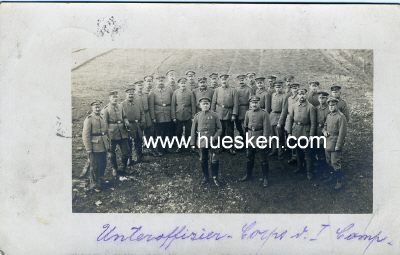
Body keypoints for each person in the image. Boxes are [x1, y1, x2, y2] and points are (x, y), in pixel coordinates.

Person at [239, 96, 272, 188]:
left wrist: (265, 140)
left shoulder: (264, 113)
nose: (254, 104)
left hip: (260, 137)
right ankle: (248, 175)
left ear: (259, 103)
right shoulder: (248, 113)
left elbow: (267, 128)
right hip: (250, 138)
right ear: (250, 104)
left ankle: (265, 178)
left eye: (256, 102)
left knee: (263, 159)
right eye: (252, 103)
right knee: (249, 157)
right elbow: (245, 126)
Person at [190, 97, 222, 187]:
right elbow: (193, 131)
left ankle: (215, 177)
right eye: (203, 104)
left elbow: (220, 129)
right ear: (200, 105)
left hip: (213, 141)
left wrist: (215, 138)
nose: (205, 105)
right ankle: (205, 177)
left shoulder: (215, 115)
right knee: (203, 159)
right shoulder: (197, 116)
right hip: (202, 141)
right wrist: (192, 143)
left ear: (209, 105)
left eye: (207, 104)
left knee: (214, 160)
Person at [287, 87, 317, 180]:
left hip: (305, 131)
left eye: (303, 94)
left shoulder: (310, 107)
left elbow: (313, 123)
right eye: (300, 94)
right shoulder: (294, 106)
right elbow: (290, 119)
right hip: (296, 130)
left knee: (307, 153)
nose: (301, 96)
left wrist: (311, 136)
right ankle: (300, 168)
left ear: (306, 95)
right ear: (298, 95)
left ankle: (309, 172)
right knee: (297, 150)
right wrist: (289, 132)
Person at [82, 100, 109, 192]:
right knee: (94, 166)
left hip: (103, 145)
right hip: (94, 146)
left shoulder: (102, 117)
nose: (97, 108)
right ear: (92, 108)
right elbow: (85, 135)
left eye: (99, 107)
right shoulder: (89, 119)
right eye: (95, 107)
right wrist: (89, 149)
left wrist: (108, 143)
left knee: (103, 163)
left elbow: (106, 131)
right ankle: (94, 184)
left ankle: (100, 179)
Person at [102, 91, 130, 177]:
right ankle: (115, 168)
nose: (115, 99)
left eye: (116, 97)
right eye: (113, 97)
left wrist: (126, 121)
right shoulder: (105, 109)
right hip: (112, 134)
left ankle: (123, 167)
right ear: (109, 98)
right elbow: (104, 123)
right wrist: (106, 135)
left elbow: (124, 116)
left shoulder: (121, 106)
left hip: (122, 132)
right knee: (112, 153)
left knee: (126, 152)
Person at [323, 97, 347, 190]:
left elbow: (342, 133)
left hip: (335, 142)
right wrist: (324, 131)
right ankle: (332, 177)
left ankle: (339, 181)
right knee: (328, 161)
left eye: (333, 105)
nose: (331, 107)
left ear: (336, 105)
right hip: (328, 141)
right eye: (330, 105)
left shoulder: (341, 117)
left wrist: (338, 145)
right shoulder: (329, 115)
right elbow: (325, 126)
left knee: (335, 162)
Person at [211, 74, 239, 155]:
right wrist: (213, 113)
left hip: (229, 113)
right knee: (220, 131)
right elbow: (213, 102)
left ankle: (230, 147)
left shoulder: (233, 90)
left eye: (225, 79)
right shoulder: (217, 90)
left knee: (229, 131)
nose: (224, 81)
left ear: (228, 80)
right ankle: (220, 147)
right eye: (222, 80)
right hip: (219, 113)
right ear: (220, 80)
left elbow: (236, 104)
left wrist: (234, 114)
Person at [149, 74, 173, 155]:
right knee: (159, 133)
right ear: (156, 81)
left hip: (167, 113)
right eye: (159, 81)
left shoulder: (169, 90)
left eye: (162, 80)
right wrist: (153, 117)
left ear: (164, 81)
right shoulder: (153, 92)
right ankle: (160, 149)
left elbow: (173, 102)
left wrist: (172, 115)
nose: (161, 82)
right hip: (158, 115)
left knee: (167, 132)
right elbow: (151, 106)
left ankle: (166, 148)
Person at [171, 77, 196, 152]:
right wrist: (173, 116)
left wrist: (193, 116)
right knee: (178, 132)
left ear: (186, 84)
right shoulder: (175, 92)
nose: (183, 84)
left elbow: (193, 105)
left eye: (184, 83)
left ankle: (188, 146)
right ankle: (179, 146)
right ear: (178, 84)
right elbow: (173, 105)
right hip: (178, 115)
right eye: (181, 83)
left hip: (188, 115)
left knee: (188, 132)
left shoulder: (190, 92)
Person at [121, 87, 145, 165]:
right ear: (126, 95)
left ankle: (139, 157)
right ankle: (129, 159)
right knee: (129, 143)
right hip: (129, 126)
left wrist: (142, 121)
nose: (131, 95)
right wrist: (125, 125)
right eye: (129, 94)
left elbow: (142, 113)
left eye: (132, 94)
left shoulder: (138, 103)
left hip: (137, 125)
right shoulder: (122, 104)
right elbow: (121, 117)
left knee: (139, 141)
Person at [268, 81, 288, 160]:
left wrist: (280, 122)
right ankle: (274, 150)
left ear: (282, 87)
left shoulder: (284, 96)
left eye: (279, 87)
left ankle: (281, 152)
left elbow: (284, 110)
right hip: (272, 116)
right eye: (276, 87)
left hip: (279, 116)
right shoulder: (273, 95)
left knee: (280, 137)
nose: (278, 89)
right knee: (273, 136)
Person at [315, 91, 330, 179]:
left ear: (326, 99)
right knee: (319, 151)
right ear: (318, 99)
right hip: (318, 132)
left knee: (326, 152)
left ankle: (327, 170)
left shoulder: (329, 108)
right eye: (320, 98)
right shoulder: (316, 108)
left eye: (323, 98)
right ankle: (321, 169)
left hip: (327, 133)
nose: (321, 99)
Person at [142, 75, 159, 157]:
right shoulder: (142, 92)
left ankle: (151, 147)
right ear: (145, 82)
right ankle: (147, 146)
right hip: (144, 114)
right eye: (147, 81)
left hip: (153, 113)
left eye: (150, 81)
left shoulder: (154, 90)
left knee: (152, 131)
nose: (149, 82)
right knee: (147, 131)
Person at [284, 83, 299, 164]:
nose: (295, 90)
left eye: (296, 88)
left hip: (297, 119)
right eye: (293, 88)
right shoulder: (289, 98)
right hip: (290, 119)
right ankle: (293, 156)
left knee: (296, 138)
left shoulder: (300, 97)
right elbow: (286, 109)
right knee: (290, 137)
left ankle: (297, 157)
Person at [235, 74, 252, 140]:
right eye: (240, 80)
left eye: (243, 80)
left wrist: (249, 111)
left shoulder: (249, 89)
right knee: (238, 125)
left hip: (246, 110)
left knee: (246, 126)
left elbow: (251, 101)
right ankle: (242, 137)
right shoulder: (236, 89)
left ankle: (247, 141)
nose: (241, 81)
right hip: (237, 110)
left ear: (246, 80)